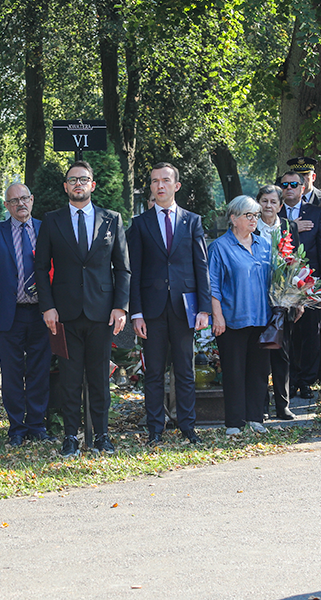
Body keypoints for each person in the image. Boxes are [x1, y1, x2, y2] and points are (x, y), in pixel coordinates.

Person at [35, 161, 130, 457]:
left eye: (83, 179)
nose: (78, 184)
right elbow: (40, 267)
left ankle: (101, 434)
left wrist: (120, 307)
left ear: (93, 185)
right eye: (72, 180)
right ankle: (71, 437)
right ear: (65, 186)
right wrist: (47, 307)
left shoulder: (111, 219)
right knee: (69, 378)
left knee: (100, 377)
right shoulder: (52, 220)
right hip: (64, 314)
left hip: (102, 313)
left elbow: (123, 269)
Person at [128, 162, 210, 447]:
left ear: (176, 186)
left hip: (184, 307)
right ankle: (155, 428)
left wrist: (204, 308)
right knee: (153, 373)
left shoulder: (192, 221)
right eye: (154, 181)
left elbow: (202, 267)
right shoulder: (139, 224)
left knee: (185, 371)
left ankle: (187, 426)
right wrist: (135, 312)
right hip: (151, 310)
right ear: (150, 187)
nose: (159, 185)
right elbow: (134, 272)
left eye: (165, 181)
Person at [0, 183, 52, 447]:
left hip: (42, 314)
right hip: (8, 315)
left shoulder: (47, 229)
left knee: (39, 371)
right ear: (7, 206)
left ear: (32, 200)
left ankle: (36, 424)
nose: (21, 204)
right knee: (11, 373)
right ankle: (16, 428)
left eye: (24, 198)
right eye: (14, 200)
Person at [208, 195, 272, 435]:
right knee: (234, 371)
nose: (254, 219)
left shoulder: (263, 244)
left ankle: (256, 418)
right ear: (233, 218)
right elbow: (213, 285)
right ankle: (234, 422)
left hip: (262, 318)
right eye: (248, 215)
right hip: (232, 319)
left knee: (259, 371)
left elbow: (275, 279)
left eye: (256, 215)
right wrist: (217, 316)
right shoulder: (220, 247)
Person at [278, 170, 321, 400]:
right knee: (287, 335)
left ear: (302, 188)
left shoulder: (317, 213)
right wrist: (291, 227)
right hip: (281, 285)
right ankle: (288, 381)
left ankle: (307, 381)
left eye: (294, 184)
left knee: (311, 333)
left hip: (310, 283)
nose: (289, 188)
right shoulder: (273, 213)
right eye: (285, 185)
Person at [255, 184, 299, 420]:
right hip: (258, 298)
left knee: (282, 352)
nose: (269, 206)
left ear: (281, 206)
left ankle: (283, 405)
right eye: (265, 201)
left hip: (283, 299)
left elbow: (297, 262)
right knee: (261, 350)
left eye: (273, 202)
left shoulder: (288, 227)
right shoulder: (252, 227)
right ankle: (261, 405)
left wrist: (298, 299)